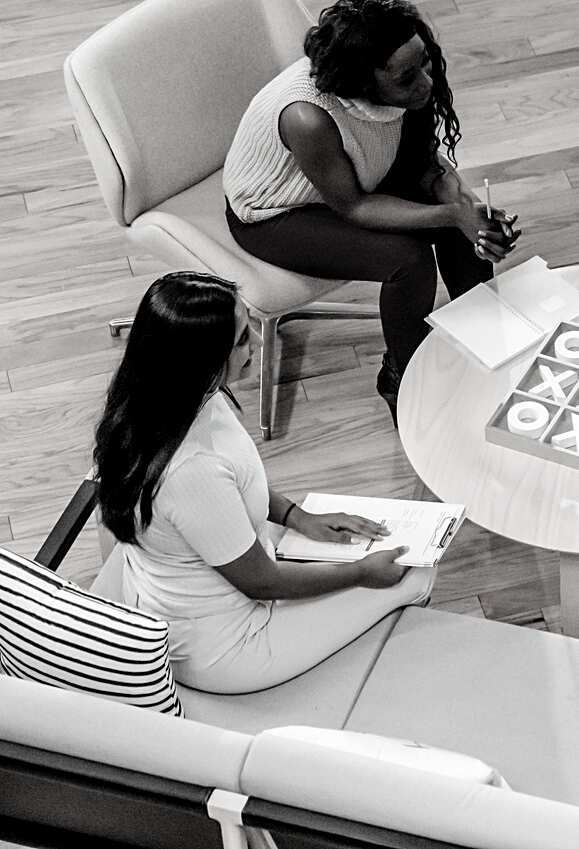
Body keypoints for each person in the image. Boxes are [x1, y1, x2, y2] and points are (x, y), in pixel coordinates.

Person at [93, 272, 435, 694]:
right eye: (240, 340)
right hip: (227, 645)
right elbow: (262, 582)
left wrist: (298, 516)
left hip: (207, 579)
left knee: (374, 556)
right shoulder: (189, 470)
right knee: (417, 576)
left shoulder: (172, 397)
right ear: (199, 358)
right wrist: (359, 573)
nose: (257, 341)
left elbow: (237, 483)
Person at [223, 0, 520, 422]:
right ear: (363, 82)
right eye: (406, 77)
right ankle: (403, 375)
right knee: (408, 260)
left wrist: (469, 212)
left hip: (360, 174)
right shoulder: (308, 117)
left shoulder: (404, 85)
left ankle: (484, 335)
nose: (426, 81)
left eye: (425, 60)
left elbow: (422, 165)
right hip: (276, 212)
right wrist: (452, 212)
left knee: (461, 222)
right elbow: (354, 207)